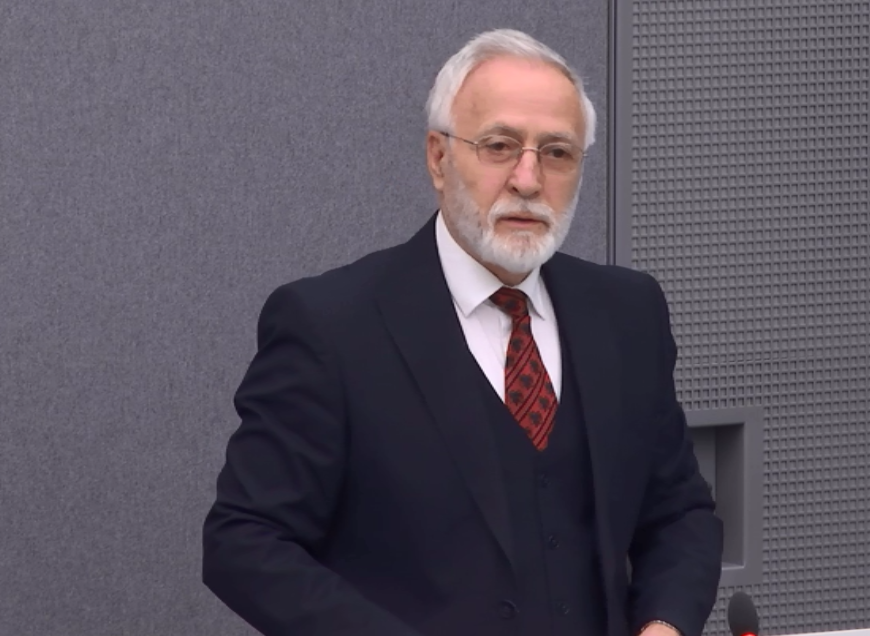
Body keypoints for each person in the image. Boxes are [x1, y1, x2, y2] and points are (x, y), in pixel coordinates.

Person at [202, 28, 723, 636]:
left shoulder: (627, 313)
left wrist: (665, 623)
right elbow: (244, 541)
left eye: (557, 152)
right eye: (499, 146)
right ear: (439, 158)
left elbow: (679, 513)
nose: (528, 179)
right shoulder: (331, 326)